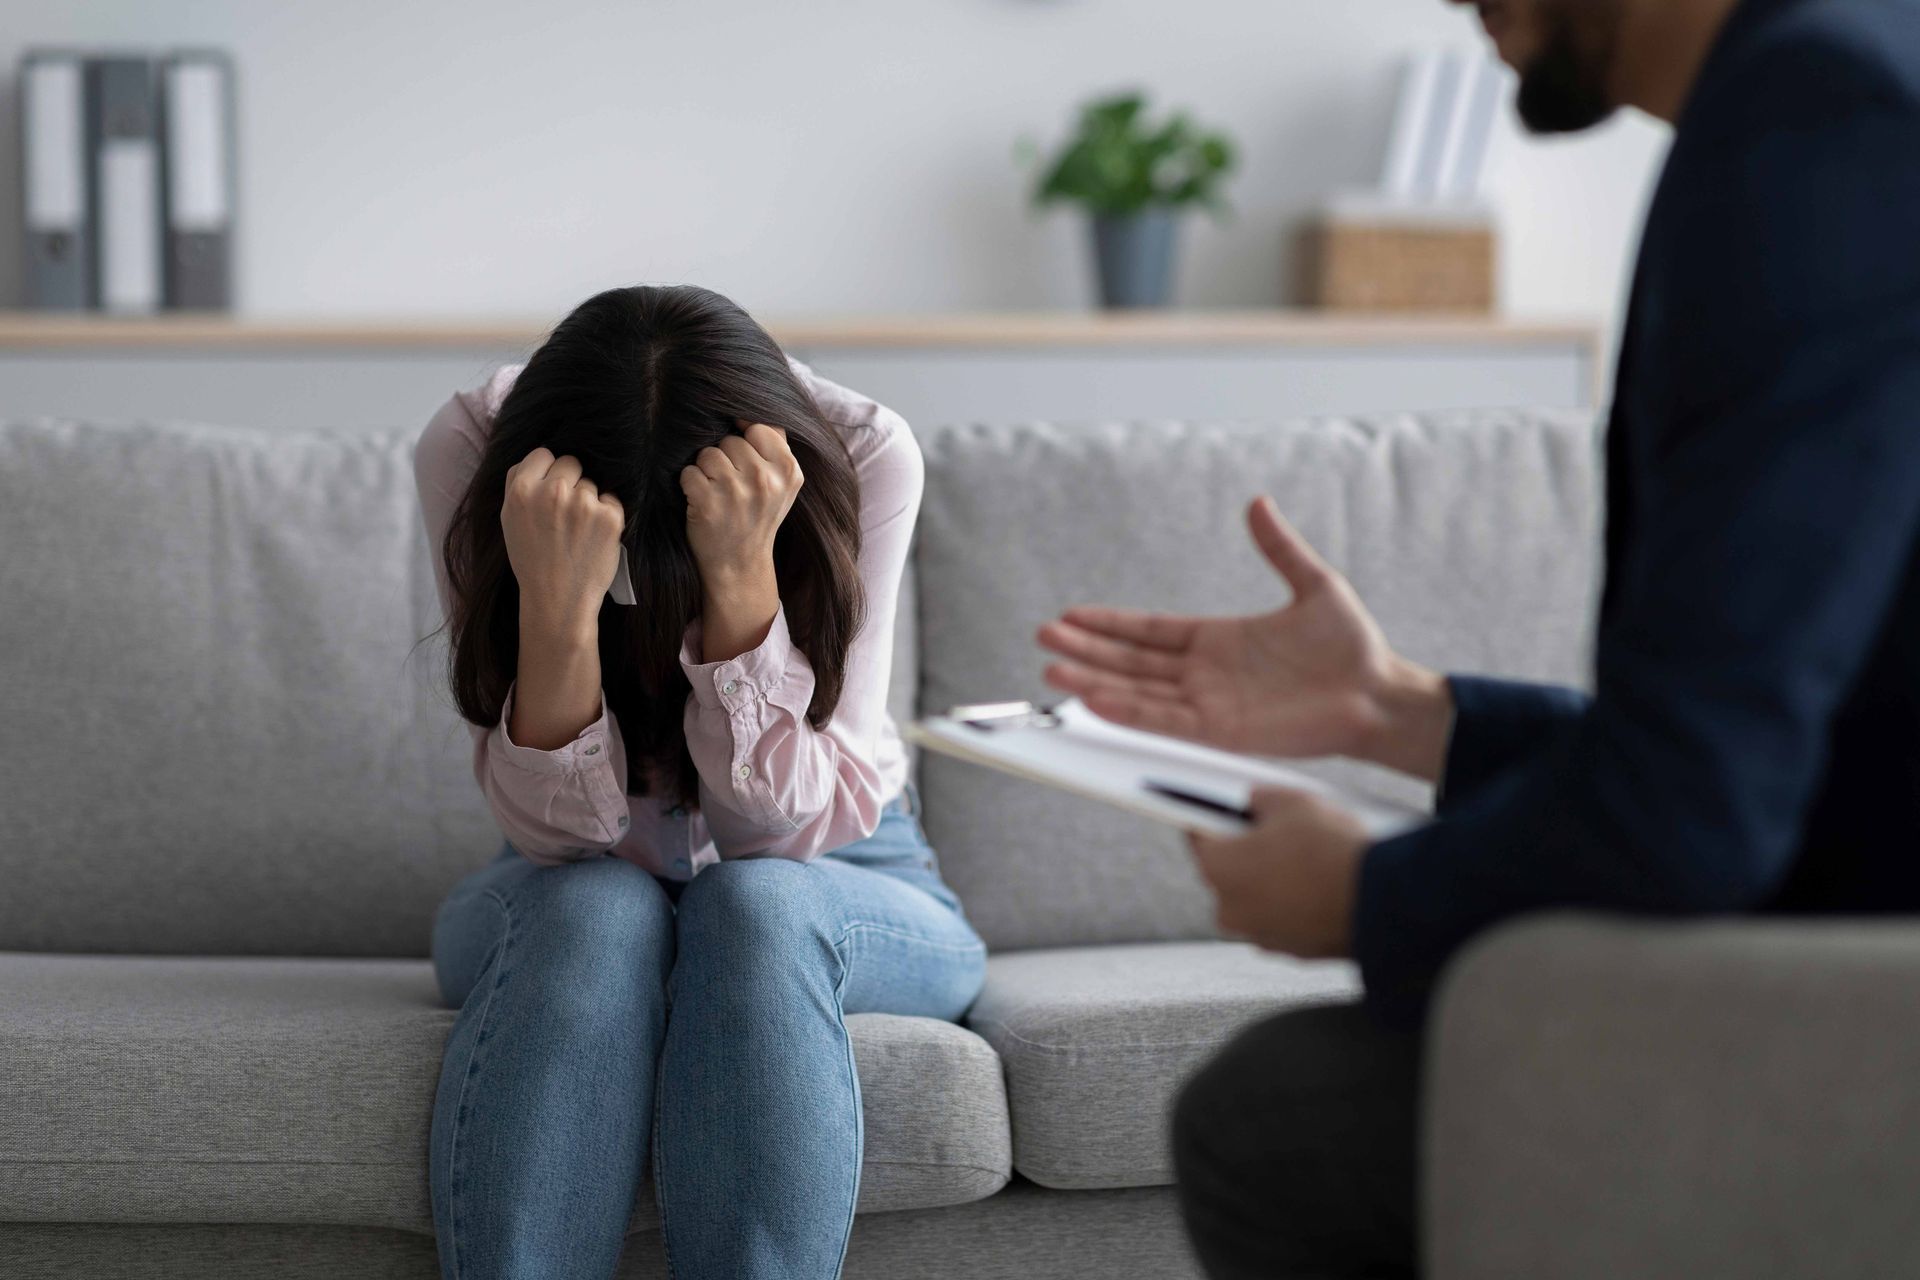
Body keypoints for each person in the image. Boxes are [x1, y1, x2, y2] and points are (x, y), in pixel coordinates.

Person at [1037, 0, 1920, 1275]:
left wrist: (1366, 896)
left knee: (1278, 1121)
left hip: (1872, 996)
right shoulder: (1843, 74)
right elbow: (1778, 749)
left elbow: (1696, 810)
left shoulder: (1818, 120)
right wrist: (1394, 708)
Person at [414, 284, 986, 1280]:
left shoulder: (861, 453)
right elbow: (560, 840)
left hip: (847, 864)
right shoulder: (474, 449)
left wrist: (743, 584)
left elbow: (777, 836)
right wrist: (557, 611)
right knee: (600, 911)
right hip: (564, 886)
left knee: (756, 905)